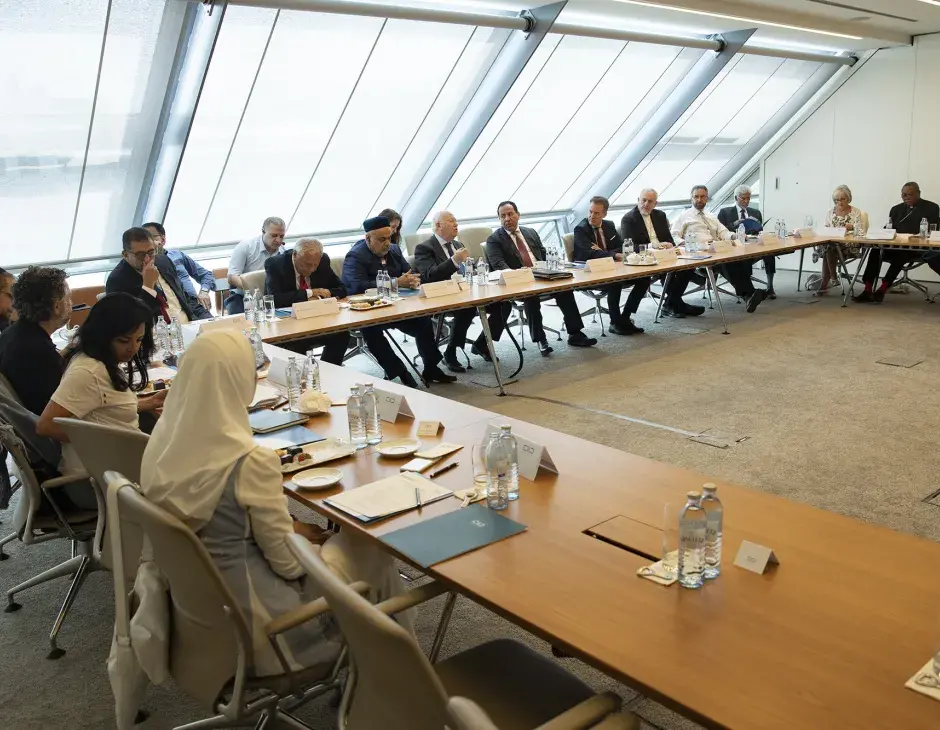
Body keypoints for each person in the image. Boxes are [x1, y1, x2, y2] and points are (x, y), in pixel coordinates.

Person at [138, 329, 414, 676]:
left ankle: (384, 673)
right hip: (272, 630)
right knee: (368, 543)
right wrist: (306, 541)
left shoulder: (161, 445)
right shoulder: (247, 462)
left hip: (203, 618)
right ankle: (399, 679)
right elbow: (289, 566)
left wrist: (294, 530)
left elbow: (223, 525)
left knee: (334, 542)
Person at [37, 293, 166, 480]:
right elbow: (45, 426)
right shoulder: (88, 372)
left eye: (138, 340)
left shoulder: (100, 360)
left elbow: (102, 409)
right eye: (124, 340)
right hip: (101, 478)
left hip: (113, 469)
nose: (133, 348)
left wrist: (149, 402)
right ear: (103, 335)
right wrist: (107, 445)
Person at [342, 216, 456, 387]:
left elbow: (407, 272)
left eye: (389, 237)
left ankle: (431, 368)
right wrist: (395, 282)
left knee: (423, 321)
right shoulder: (355, 255)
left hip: (397, 306)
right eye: (382, 239)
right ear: (368, 238)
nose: (387, 243)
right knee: (371, 332)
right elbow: (357, 286)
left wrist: (411, 280)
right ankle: (400, 371)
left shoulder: (394, 250)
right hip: (369, 310)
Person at [486, 201, 597, 357]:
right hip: (519, 282)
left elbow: (544, 255)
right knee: (531, 296)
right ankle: (540, 340)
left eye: (510, 214)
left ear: (518, 215)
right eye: (502, 216)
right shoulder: (494, 239)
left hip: (542, 274)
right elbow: (499, 265)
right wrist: (519, 272)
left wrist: (555, 267)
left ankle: (575, 334)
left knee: (565, 288)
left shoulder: (530, 232)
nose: (507, 218)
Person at [413, 211, 511, 371]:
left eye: (456, 221)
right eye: (451, 221)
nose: (456, 224)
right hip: (442, 296)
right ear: (439, 226)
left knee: (504, 305)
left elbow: (468, 273)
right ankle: (450, 351)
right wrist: (454, 261)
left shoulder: (458, 245)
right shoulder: (424, 248)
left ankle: (481, 344)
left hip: (467, 291)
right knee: (467, 307)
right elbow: (430, 276)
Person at [672, 185, 768, 313]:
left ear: (707, 198)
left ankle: (749, 295)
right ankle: (749, 294)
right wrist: (685, 243)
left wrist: (736, 236)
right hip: (698, 253)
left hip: (716, 249)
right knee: (725, 261)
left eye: (702, 197)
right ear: (691, 198)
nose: (699, 199)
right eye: (696, 197)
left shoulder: (711, 216)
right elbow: (674, 235)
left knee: (736, 258)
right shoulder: (684, 216)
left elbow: (724, 233)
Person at [263, 239, 351, 364]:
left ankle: (327, 371)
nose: (312, 269)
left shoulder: (322, 261)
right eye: (307, 264)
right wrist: (310, 293)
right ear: (294, 255)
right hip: (289, 325)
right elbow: (275, 299)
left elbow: (342, 289)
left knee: (341, 335)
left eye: (315, 264)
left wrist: (321, 296)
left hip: (316, 320)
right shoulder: (275, 264)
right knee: (297, 343)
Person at [620, 188, 704, 319]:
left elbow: (669, 239)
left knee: (688, 266)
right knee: (663, 273)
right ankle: (675, 303)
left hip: (665, 255)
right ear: (638, 200)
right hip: (645, 258)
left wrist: (669, 245)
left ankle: (672, 302)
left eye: (650, 201)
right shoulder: (628, 219)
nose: (646, 204)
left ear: (655, 204)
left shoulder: (660, 215)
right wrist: (652, 246)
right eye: (643, 200)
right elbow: (630, 246)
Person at [0, 267, 71, 415]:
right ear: (57, 306)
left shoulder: (11, 334)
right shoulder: (38, 351)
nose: (71, 303)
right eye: (68, 298)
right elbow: (59, 411)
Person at [573, 196, 648, 335]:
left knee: (644, 279)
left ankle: (625, 318)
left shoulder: (609, 225)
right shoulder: (580, 229)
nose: (592, 216)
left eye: (596, 213)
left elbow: (621, 248)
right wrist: (612, 255)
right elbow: (589, 254)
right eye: (590, 212)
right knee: (615, 282)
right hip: (590, 272)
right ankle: (615, 323)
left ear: (604, 214)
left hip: (612, 268)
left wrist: (603, 252)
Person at [854, 182, 940, 303]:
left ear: (918, 194)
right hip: (895, 246)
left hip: (917, 249)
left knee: (902, 253)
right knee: (875, 250)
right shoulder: (896, 209)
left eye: (910, 194)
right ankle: (867, 289)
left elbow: (933, 230)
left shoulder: (932, 207)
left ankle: (883, 289)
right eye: (904, 195)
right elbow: (888, 228)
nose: (907, 197)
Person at [106, 227, 211, 324]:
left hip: (189, 324)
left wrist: (209, 320)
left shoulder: (163, 261)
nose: (148, 259)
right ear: (125, 255)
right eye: (140, 255)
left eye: (151, 252)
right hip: (158, 336)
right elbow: (134, 323)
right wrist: (148, 286)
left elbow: (186, 300)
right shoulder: (117, 281)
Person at [142, 222, 216, 313]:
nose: (148, 241)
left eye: (152, 237)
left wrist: (204, 291)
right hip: (166, 307)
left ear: (163, 240)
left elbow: (206, 275)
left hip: (192, 304)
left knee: (214, 326)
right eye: (144, 239)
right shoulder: (143, 263)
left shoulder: (177, 255)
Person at [717, 185, 775, 298]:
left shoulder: (755, 212)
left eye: (748, 198)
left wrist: (756, 227)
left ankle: (770, 286)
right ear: (736, 198)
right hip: (736, 245)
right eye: (743, 198)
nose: (746, 201)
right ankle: (748, 289)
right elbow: (720, 231)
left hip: (753, 243)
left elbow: (760, 231)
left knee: (769, 253)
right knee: (742, 256)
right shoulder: (725, 212)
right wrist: (735, 223)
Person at [226, 217, 287, 314]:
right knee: (241, 323)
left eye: (282, 236)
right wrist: (255, 290)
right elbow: (232, 277)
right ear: (263, 231)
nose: (278, 240)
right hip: (243, 296)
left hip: (271, 296)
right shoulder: (245, 247)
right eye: (274, 235)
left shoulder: (284, 252)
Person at [816, 185, 868, 296]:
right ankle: (832, 279)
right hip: (832, 242)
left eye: (842, 199)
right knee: (829, 247)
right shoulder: (830, 211)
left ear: (848, 198)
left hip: (849, 245)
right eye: (837, 200)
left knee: (828, 249)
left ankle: (827, 282)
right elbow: (825, 227)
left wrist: (853, 227)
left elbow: (861, 231)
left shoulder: (856, 212)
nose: (839, 202)